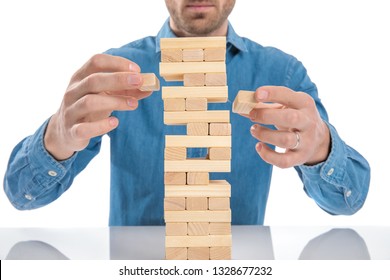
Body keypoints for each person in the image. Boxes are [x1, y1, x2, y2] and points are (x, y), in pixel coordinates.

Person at [3, 0, 370, 225]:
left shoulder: (281, 74)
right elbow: (21, 195)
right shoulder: (118, 71)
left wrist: (321, 150)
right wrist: (56, 138)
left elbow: (350, 199)